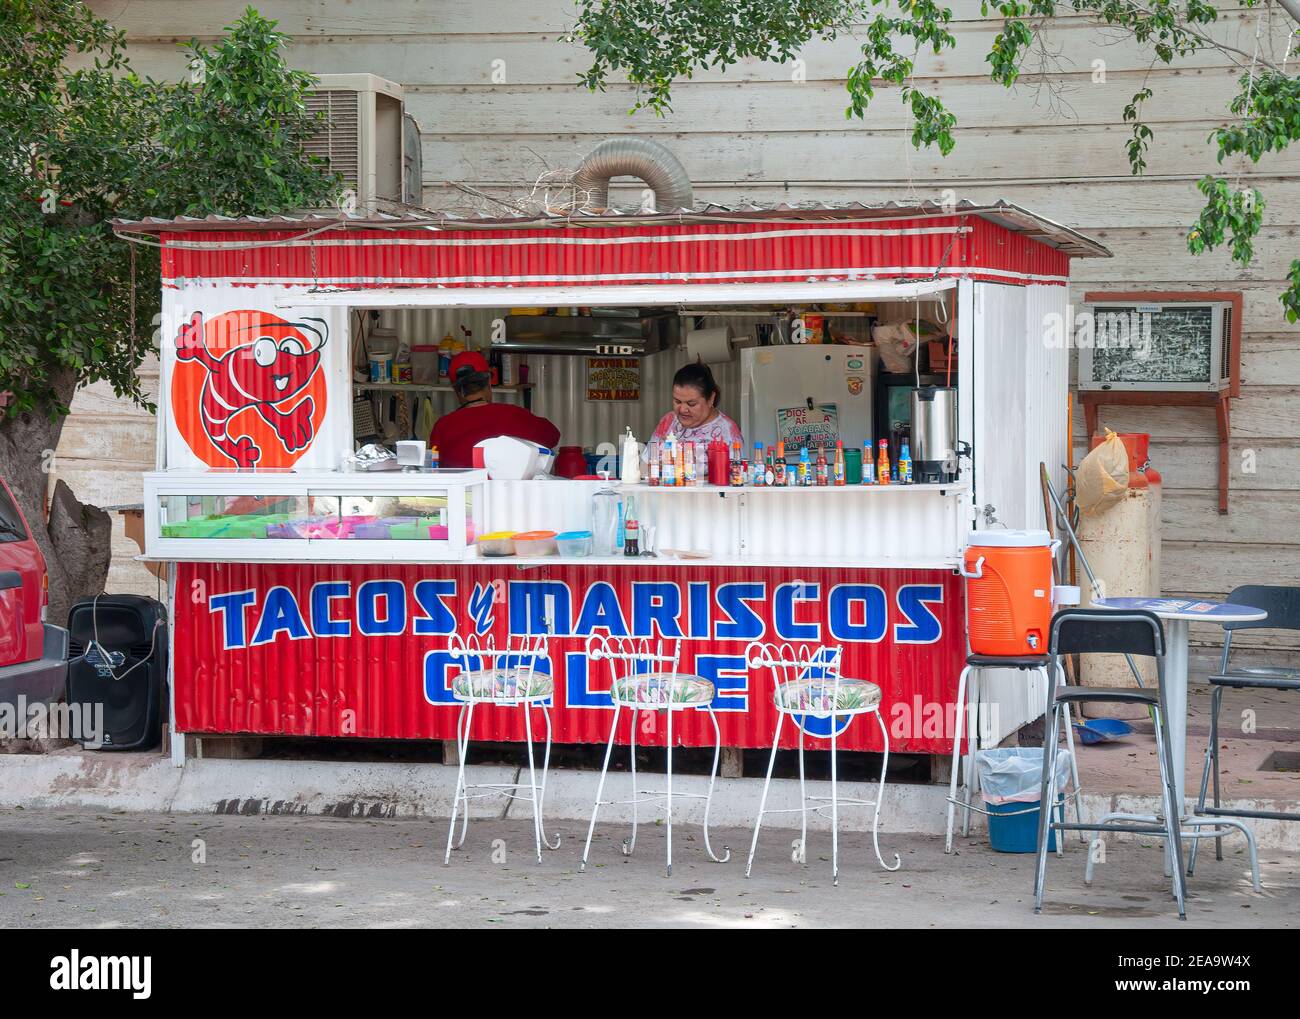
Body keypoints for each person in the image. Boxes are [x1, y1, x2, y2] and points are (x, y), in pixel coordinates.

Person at [429, 350, 560, 468]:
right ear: (488, 384)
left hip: (461, 494)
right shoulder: (514, 415)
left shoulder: (443, 427)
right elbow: (553, 436)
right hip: (508, 493)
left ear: (457, 391)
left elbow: (433, 468)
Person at [644, 362, 743, 460]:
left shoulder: (728, 433)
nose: (682, 410)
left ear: (711, 399)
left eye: (691, 404)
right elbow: (644, 463)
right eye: (677, 402)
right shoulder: (669, 420)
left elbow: (734, 474)